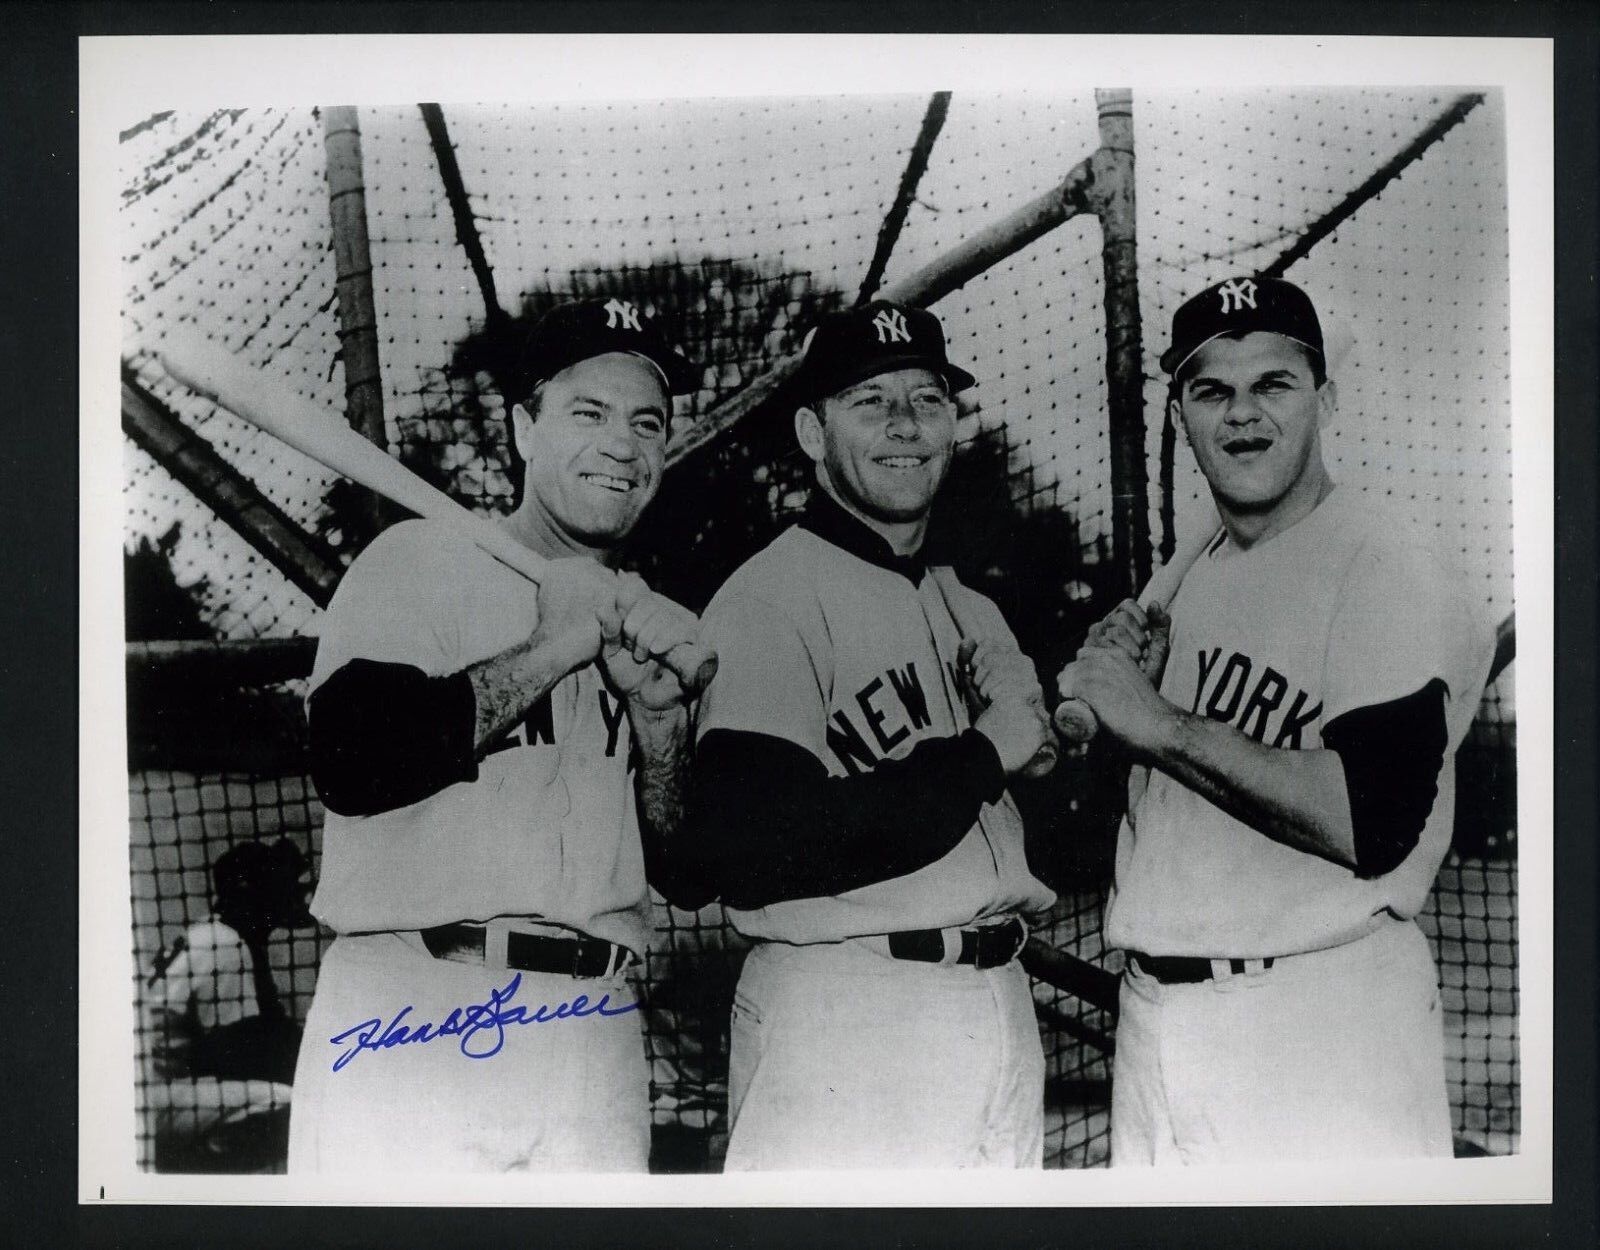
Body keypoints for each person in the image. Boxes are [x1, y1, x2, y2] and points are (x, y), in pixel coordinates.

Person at [1056, 275, 1494, 1165]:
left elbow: (1372, 820)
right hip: (1157, 1025)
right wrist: (1101, 737)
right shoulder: (1196, 573)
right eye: (1211, 390)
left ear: (1325, 399)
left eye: (1274, 384)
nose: (1242, 416)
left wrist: (1161, 724)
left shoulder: (1386, 564)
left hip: (1318, 1026)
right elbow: (1166, 822)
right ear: (1180, 414)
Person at [287, 298, 714, 1173]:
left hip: (595, 1032)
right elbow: (351, 760)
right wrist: (556, 645)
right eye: (587, 413)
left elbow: (684, 871)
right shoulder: (418, 559)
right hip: (419, 1013)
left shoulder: (645, 620)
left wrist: (661, 723)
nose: (622, 445)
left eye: (647, 423)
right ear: (523, 429)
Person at [691, 299, 1059, 1170]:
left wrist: (1054, 739)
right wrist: (985, 753)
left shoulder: (967, 603)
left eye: (928, 400)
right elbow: (752, 845)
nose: (906, 425)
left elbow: (1000, 790)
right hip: (844, 1015)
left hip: (999, 998)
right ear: (813, 435)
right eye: (871, 402)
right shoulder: (765, 600)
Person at [143, 838, 311, 1172]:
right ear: (247, 892)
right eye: (274, 882)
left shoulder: (211, 933)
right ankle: (192, 1176)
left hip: (155, 1089)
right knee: (294, 1106)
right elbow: (240, 1052)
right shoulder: (226, 946)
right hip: (153, 1101)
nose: (290, 893)